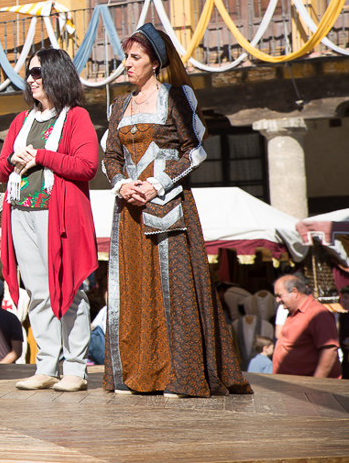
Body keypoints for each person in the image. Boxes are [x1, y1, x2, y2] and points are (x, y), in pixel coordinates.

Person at [101, 24, 251, 397]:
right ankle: (135, 372)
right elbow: (109, 156)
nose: (128, 64)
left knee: (174, 289)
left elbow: (195, 150)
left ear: (155, 62)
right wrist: (123, 183)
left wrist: (156, 183)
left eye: (136, 57)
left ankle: (178, 375)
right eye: (126, 57)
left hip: (168, 206)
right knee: (133, 290)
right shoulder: (119, 105)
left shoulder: (177, 97)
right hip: (129, 213)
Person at [0, 48, 97, 393]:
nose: (31, 79)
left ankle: (76, 367)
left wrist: (40, 156)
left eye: (38, 72)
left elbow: (86, 166)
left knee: (69, 290)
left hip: (58, 214)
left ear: (56, 75)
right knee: (38, 293)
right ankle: (47, 365)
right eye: (29, 73)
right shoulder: (21, 121)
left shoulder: (76, 117)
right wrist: (12, 157)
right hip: (21, 212)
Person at [272, 275, 340, 378]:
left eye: (279, 295)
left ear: (294, 292)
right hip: (291, 385)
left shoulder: (317, 313)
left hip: (307, 388)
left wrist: (315, 384)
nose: (277, 300)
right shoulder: (293, 313)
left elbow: (329, 351)